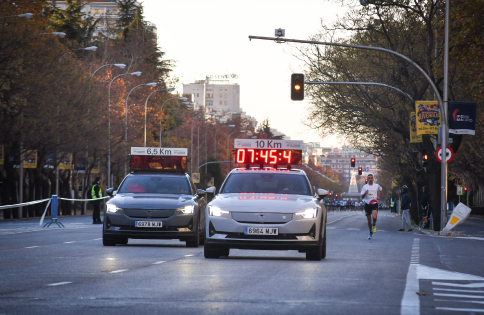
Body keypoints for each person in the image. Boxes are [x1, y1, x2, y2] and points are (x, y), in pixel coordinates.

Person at [361, 174, 382, 239]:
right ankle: (370, 232)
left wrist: (378, 195)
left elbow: (381, 189)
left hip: (374, 203)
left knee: (374, 217)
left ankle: (374, 224)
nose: (370, 179)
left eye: (371, 178)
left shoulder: (376, 185)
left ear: (373, 179)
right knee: (369, 221)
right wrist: (365, 193)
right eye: (369, 178)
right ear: (367, 179)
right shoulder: (365, 187)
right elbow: (362, 196)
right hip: (367, 204)